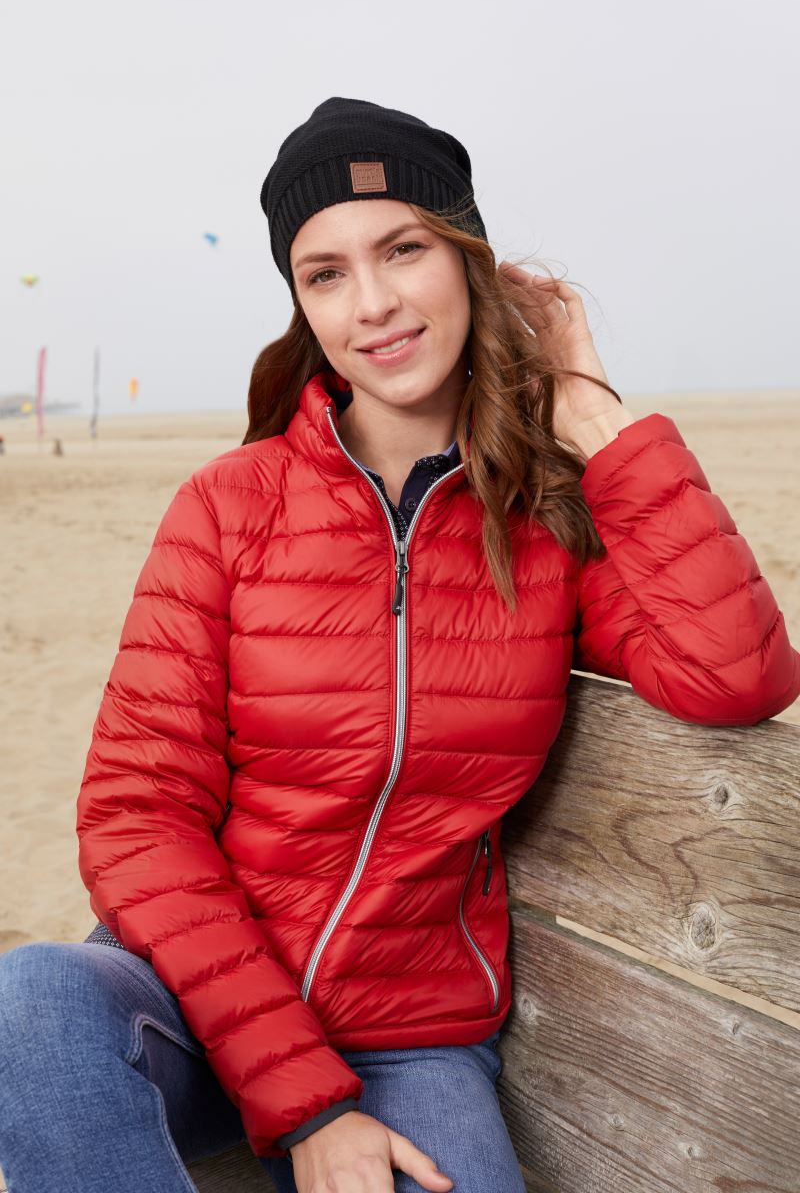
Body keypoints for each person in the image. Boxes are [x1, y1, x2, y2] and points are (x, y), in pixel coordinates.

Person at [1, 96, 798, 1193]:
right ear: (301, 303)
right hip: (197, 1006)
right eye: (325, 273)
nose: (371, 303)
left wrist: (588, 407)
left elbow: (736, 672)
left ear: (468, 259)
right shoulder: (230, 506)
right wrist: (307, 1101)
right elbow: (137, 816)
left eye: (403, 249)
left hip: (408, 1038)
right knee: (33, 1001)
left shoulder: (544, 524)